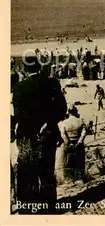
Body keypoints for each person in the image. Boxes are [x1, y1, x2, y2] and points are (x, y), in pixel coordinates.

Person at [12, 54, 67, 214]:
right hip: (48, 134)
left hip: (28, 136)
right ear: (39, 67)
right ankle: (49, 207)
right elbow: (61, 109)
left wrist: (31, 129)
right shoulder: (52, 83)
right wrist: (48, 124)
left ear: (24, 69)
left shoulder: (19, 88)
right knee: (47, 172)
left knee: (27, 172)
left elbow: (19, 115)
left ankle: (29, 209)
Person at [55, 105, 87, 182]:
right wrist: (80, 141)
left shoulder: (64, 122)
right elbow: (84, 132)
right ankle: (79, 178)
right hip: (78, 142)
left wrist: (68, 143)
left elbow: (63, 134)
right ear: (75, 111)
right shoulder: (80, 121)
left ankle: (70, 178)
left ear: (68, 112)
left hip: (69, 143)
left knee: (69, 160)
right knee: (79, 160)